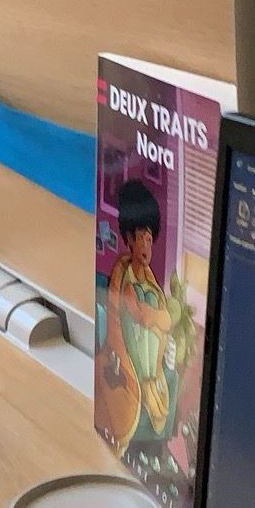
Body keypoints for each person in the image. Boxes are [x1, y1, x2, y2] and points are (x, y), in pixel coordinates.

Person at [96, 179, 177, 453]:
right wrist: (153, 317)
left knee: (172, 379)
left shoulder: (153, 282)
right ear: (129, 239)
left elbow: (164, 319)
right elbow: (137, 313)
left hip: (152, 367)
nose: (145, 244)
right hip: (128, 359)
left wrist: (155, 317)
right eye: (139, 237)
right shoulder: (123, 275)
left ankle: (159, 448)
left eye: (149, 239)